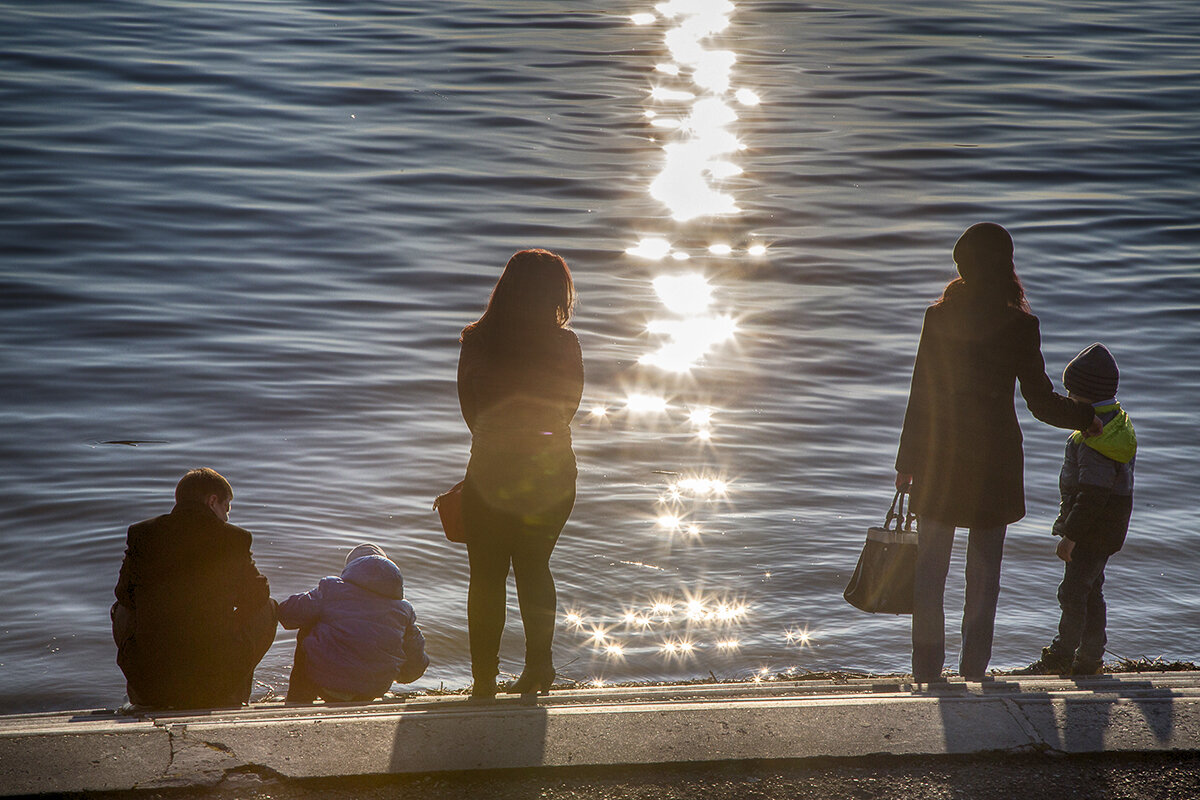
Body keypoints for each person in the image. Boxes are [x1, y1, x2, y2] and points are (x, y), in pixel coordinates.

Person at [895, 223, 1101, 683]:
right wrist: (1085, 418)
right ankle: (974, 670)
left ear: (961, 263)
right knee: (984, 576)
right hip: (994, 462)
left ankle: (926, 672)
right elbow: (1040, 400)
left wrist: (906, 463)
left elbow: (921, 393)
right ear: (1006, 263)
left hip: (939, 457)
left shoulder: (939, 317)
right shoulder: (1020, 324)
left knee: (930, 573)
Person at [457, 248, 583, 700]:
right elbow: (570, 406)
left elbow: (468, 409)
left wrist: (498, 443)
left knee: (485, 576)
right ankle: (538, 670)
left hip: (490, 472)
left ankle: (484, 682)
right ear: (554, 294)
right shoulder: (564, 344)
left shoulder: (477, 340)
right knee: (534, 568)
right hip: (552, 475)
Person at [112, 468, 276, 708]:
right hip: (213, 682)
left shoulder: (142, 534)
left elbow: (123, 594)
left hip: (153, 685)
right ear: (212, 501)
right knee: (268, 608)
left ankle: (141, 692)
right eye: (226, 508)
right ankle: (233, 690)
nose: (227, 517)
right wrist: (229, 618)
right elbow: (258, 595)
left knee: (120, 609)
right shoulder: (233, 538)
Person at [1018, 343, 1135, 676]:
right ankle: (1090, 658)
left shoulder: (1095, 438)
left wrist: (1070, 536)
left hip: (1090, 531)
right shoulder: (1118, 427)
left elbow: (1092, 496)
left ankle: (1061, 656)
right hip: (1109, 529)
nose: (1067, 400)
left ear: (1084, 395)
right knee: (1091, 591)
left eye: (1070, 393)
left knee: (1071, 592)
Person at [277, 543, 429, 702]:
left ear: (352, 568)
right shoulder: (404, 610)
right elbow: (417, 662)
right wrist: (401, 675)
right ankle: (359, 690)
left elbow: (287, 614)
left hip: (325, 682)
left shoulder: (331, 589)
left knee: (309, 624)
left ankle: (297, 699)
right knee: (397, 639)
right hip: (373, 689)